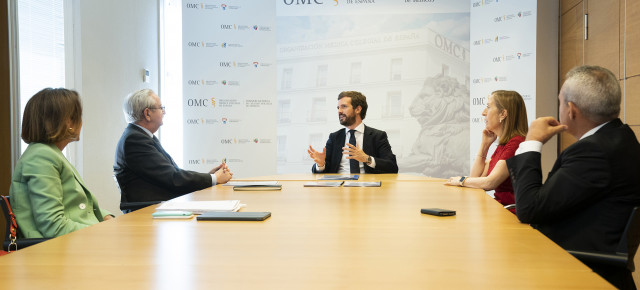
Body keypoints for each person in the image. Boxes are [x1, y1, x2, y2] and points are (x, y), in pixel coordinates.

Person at [506, 65, 640, 289]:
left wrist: (532, 142)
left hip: (580, 272)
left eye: (560, 101)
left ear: (571, 110)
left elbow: (529, 209)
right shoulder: (621, 138)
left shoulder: (594, 152)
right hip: (589, 263)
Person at [9, 88, 113, 238]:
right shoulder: (41, 156)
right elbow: (53, 226)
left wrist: (105, 217)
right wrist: (104, 232)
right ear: (67, 122)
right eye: (78, 116)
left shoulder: (49, 153)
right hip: (55, 251)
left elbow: (74, 206)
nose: (81, 122)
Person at [114, 89, 232, 204]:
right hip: (147, 211)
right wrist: (214, 179)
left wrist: (209, 176)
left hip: (161, 205)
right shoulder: (134, 140)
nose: (164, 112)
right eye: (161, 108)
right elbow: (173, 178)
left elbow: (172, 174)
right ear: (147, 113)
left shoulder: (143, 136)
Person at [445, 90, 528, 210]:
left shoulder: (517, 143)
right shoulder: (504, 145)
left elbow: (490, 183)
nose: (483, 113)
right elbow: (475, 178)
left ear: (503, 114)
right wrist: (484, 146)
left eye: (488, 107)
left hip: (512, 215)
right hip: (501, 211)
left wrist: (461, 180)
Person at [308, 91, 398, 174]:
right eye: (338, 107)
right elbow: (322, 170)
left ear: (358, 109)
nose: (339, 111)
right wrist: (320, 164)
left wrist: (367, 159)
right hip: (339, 187)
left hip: (367, 187)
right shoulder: (334, 137)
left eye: (344, 106)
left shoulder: (378, 136)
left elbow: (392, 166)